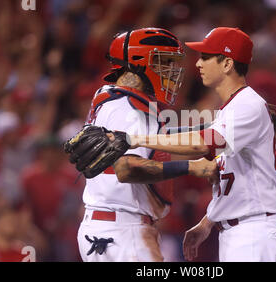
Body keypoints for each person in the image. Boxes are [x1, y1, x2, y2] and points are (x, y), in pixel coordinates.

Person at [129, 27, 276, 262]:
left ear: (227, 64)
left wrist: (138, 138)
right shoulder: (231, 109)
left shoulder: (247, 104)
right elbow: (237, 180)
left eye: (206, 56)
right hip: (243, 232)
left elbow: (201, 144)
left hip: (255, 232)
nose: (198, 63)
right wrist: (208, 222)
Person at [75, 28, 218, 262]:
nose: (172, 71)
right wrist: (191, 167)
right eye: (164, 62)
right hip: (124, 230)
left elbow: (154, 140)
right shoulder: (131, 107)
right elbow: (127, 168)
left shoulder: (112, 97)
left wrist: (205, 133)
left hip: (109, 227)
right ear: (139, 61)